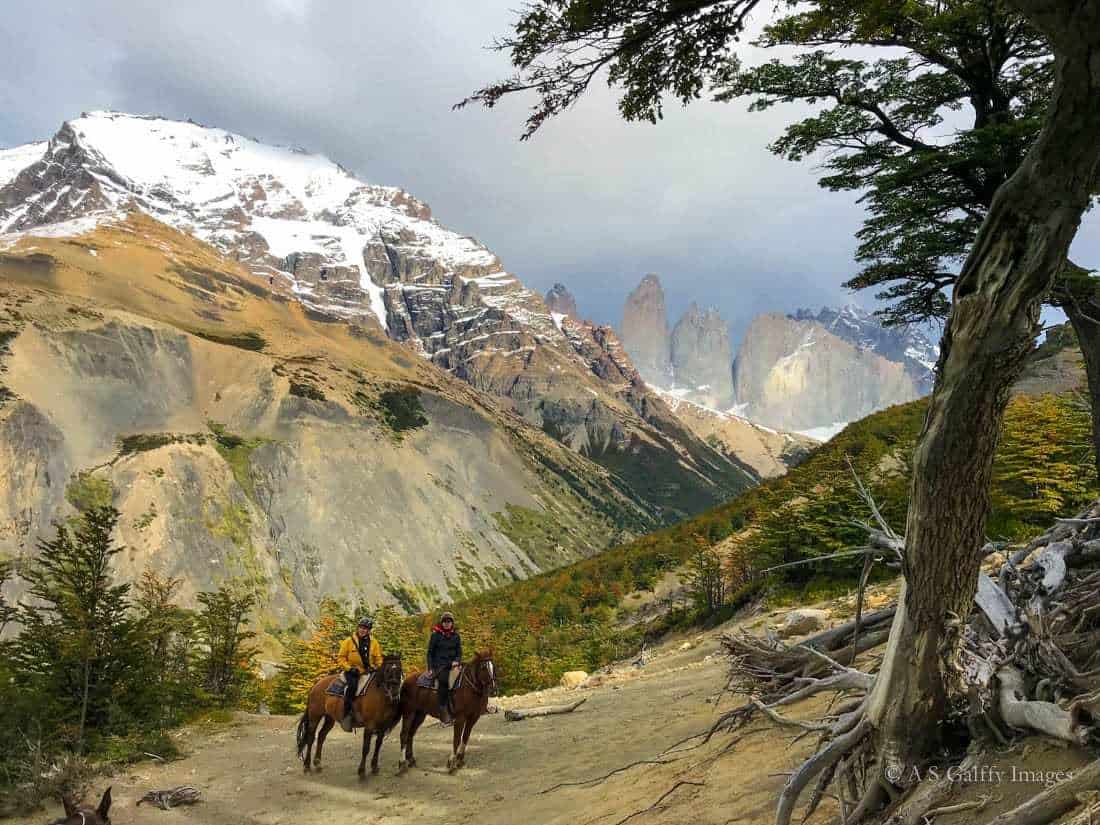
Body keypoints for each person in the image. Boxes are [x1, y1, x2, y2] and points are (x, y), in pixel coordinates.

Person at [336, 616, 383, 719]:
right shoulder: (348, 641)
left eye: (366, 628)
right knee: (352, 687)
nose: (363, 630)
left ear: (369, 631)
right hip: (353, 671)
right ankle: (347, 712)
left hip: (369, 671)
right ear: (358, 628)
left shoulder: (374, 642)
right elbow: (341, 658)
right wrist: (349, 668)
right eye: (361, 627)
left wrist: (378, 667)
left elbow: (378, 658)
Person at [427, 611, 462, 722]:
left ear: (452, 623)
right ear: (441, 623)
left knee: (464, 679)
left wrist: (456, 660)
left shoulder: (456, 636)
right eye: (445, 621)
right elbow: (430, 653)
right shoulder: (435, 635)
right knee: (445, 680)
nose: (447, 623)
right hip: (439, 666)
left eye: (449, 621)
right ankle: (443, 709)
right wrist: (431, 668)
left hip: (453, 665)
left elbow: (459, 652)